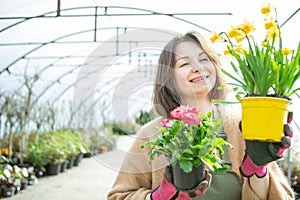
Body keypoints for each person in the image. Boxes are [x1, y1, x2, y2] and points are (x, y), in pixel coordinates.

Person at [107, 31, 295, 199]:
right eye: (185, 63)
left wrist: (257, 171)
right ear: (168, 78)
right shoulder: (152, 134)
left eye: (204, 59)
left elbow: (282, 196)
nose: (198, 67)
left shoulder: (243, 126)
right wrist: (159, 197)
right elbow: (119, 195)